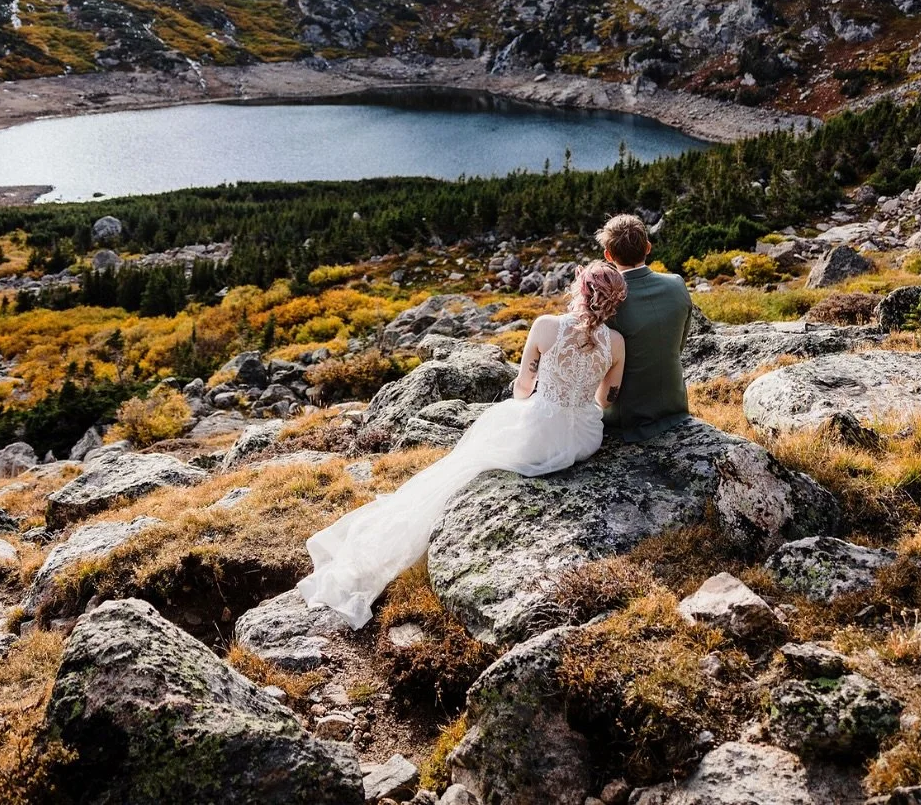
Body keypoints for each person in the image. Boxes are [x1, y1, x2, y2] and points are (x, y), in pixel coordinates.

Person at [297, 260, 627, 628]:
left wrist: (526, 410)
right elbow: (607, 399)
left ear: (579, 291)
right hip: (584, 439)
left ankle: (371, 561)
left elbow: (523, 386)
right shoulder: (616, 343)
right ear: (614, 302)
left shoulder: (547, 326)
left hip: (542, 436)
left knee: (473, 451)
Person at [596, 212, 693, 442]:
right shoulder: (677, 284)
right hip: (675, 406)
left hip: (627, 420)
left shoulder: (609, 302)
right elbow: (679, 346)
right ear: (648, 247)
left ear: (608, 255)